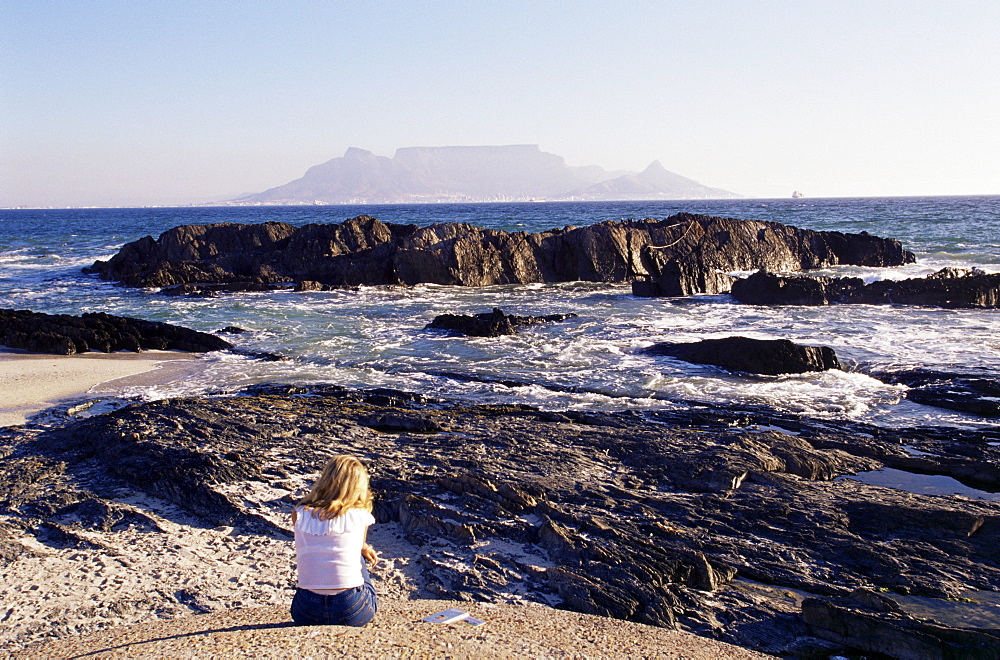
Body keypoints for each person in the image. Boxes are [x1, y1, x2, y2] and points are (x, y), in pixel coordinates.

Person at [290, 455, 379, 626]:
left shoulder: (299, 513)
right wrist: (365, 547)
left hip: (305, 609)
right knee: (358, 556)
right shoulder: (360, 515)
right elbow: (359, 544)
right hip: (351, 607)